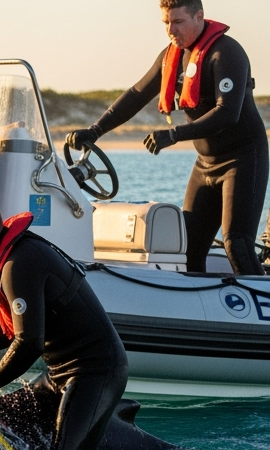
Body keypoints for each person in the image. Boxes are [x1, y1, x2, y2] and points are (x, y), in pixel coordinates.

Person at [66, 0, 266, 275]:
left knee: (237, 244)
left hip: (242, 159)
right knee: (188, 249)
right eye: (166, 23)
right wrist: (95, 130)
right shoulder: (170, 55)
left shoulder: (226, 53)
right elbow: (137, 95)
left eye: (178, 22)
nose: (171, 30)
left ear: (199, 16)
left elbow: (227, 113)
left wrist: (174, 134)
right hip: (205, 163)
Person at [0, 191, 128, 450]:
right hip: (57, 375)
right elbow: (15, 328)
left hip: (95, 372)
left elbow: (29, 342)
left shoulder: (20, 263)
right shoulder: (7, 258)